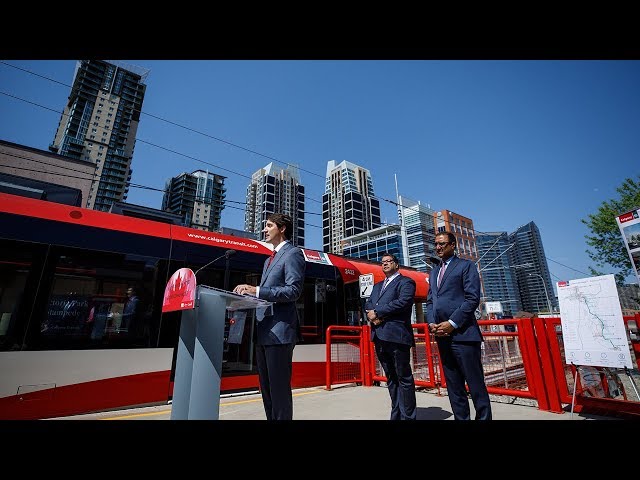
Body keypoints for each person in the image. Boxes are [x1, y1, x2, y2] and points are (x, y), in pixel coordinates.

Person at [233, 213, 305, 420]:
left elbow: (293, 291)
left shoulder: (293, 254)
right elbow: (268, 294)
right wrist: (247, 298)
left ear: (282, 229)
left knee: (279, 391)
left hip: (280, 332)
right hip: (264, 331)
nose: (265, 230)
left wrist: (255, 291)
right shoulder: (267, 261)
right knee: (266, 391)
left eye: (269, 225)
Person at [426, 231, 492, 420]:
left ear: (453, 245)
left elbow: (472, 299)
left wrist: (452, 323)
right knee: (454, 387)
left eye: (442, 244)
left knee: (476, 385)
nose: (438, 247)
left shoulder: (466, 266)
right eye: (436, 244)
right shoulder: (434, 271)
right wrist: (432, 322)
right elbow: (431, 301)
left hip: (464, 335)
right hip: (442, 336)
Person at [365, 252, 417, 420]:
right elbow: (369, 304)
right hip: (379, 337)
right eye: (383, 262)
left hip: (397, 336)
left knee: (404, 378)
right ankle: (396, 414)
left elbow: (403, 302)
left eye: (389, 261)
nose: (385, 264)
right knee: (391, 379)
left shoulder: (406, 282)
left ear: (397, 265)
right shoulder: (377, 286)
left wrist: (378, 313)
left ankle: (408, 416)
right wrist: (372, 315)